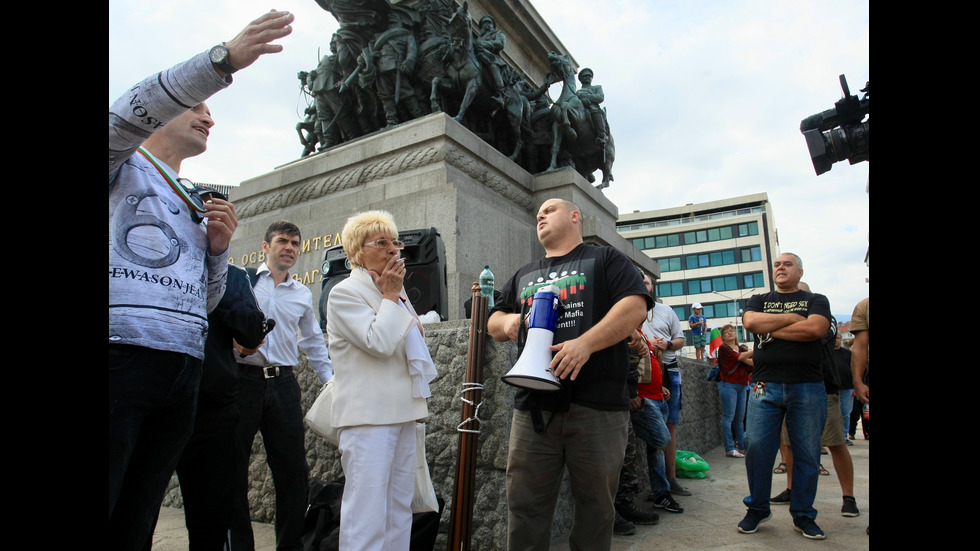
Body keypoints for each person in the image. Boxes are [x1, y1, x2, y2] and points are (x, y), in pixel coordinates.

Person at [108, 10, 293, 550]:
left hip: (182, 371)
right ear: (158, 115)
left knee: (136, 518)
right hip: (122, 356)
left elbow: (208, 301)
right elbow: (124, 114)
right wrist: (223, 62)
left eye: (212, 111)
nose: (208, 118)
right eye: (196, 106)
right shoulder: (119, 162)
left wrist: (215, 254)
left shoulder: (197, 200)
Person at [488, 198, 650, 551]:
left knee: (596, 511)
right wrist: (511, 321)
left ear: (575, 216)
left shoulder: (605, 259)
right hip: (533, 408)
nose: (540, 216)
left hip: (598, 408)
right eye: (537, 214)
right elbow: (493, 321)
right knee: (524, 507)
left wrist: (586, 344)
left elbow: (635, 306)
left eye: (550, 209)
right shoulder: (524, 273)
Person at [326, 210, 438, 550]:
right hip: (368, 419)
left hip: (403, 414)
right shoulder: (345, 293)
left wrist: (393, 296)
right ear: (357, 252)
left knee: (398, 512)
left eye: (396, 242)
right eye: (382, 243)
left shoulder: (397, 294)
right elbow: (379, 342)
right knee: (367, 515)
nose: (393, 250)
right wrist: (390, 296)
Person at [232, 220, 334, 551]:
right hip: (242, 382)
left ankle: (289, 546)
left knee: (293, 473)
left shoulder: (303, 293)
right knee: (232, 470)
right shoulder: (244, 282)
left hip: (284, 385)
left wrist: (331, 382)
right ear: (266, 247)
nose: (289, 247)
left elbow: (314, 343)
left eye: (294, 243)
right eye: (282, 241)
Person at [175, 255, 269, 549]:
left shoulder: (233, 275)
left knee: (212, 519)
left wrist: (214, 273)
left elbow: (253, 331)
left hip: (211, 409)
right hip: (147, 401)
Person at [738, 253, 831, 540]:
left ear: (800, 271)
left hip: (807, 386)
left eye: (787, 264)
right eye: (777, 264)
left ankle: (803, 514)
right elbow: (752, 323)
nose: (780, 267)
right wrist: (793, 318)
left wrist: (773, 328)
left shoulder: (817, 300)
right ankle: (758, 508)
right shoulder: (759, 300)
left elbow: (816, 328)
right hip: (765, 385)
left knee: (807, 453)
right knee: (756, 449)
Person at [640, 274, 691, 497]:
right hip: (641, 372)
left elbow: (680, 339)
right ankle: (653, 485)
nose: (643, 285)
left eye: (647, 283)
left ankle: (671, 479)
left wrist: (667, 343)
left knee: (669, 425)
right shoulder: (624, 306)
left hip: (668, 370)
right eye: (638, 281)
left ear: (653, 287)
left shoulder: (665, 311)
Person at [717, 324, 753, 458]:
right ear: (723, 337)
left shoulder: (742, 348)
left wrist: (743, 356)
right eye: (726, 332)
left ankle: (742, 447)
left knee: (740, 418)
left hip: (742, 385)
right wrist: (754, 352)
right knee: (728, 417)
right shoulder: (724, 348)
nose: (730, 333)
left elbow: (752, 363)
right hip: (729, 385)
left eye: (732, 330)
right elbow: (737, 357)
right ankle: (730, 448)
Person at [574, 68, 609, 145]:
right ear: (581, 79)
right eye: (585, 76)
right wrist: (582, 100)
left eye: (589, 76)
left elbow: (600, 97)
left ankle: (602, 134)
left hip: (593, 107)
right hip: (581, 108)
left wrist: (587, 96)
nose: (588, 77)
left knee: (594, 111)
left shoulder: (597, 87)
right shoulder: (577, 92)